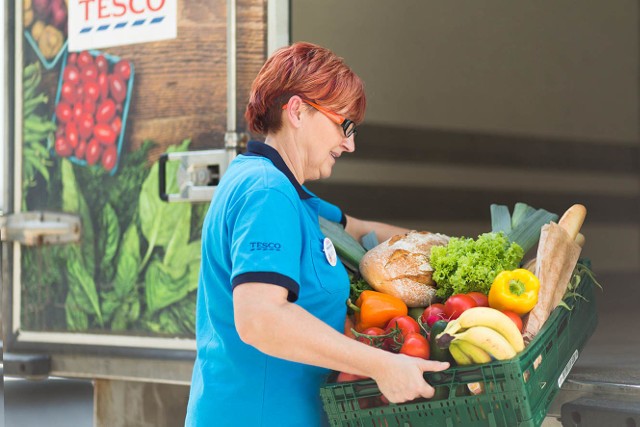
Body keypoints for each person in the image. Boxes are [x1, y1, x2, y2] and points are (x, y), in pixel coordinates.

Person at [184, 42, 449, 427]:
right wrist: (382, 365)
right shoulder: (267, 192)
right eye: (343, 125)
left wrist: (452, 250)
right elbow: (260, 317)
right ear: (297, 111)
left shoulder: (285, 192)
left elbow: (358, 230)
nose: (350, 143)